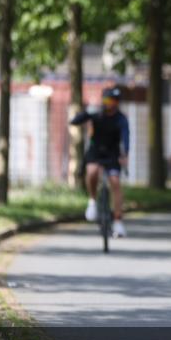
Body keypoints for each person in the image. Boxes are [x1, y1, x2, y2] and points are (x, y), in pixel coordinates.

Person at [70, 86, 130, 238]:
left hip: (112, 154)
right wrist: (87, 112)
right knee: (92, 172)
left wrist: (125, 154)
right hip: (95, 152)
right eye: (106, 100)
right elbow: (75, 121)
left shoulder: (121, 119)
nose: (108, 103)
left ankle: (118, 221)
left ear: (117, 102)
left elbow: (126, 137)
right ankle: (92, 201)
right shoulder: (96, 114)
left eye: (112, 100)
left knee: (115, 182)